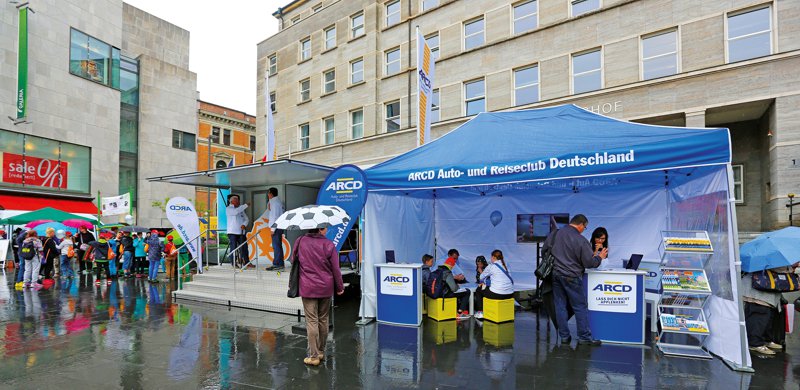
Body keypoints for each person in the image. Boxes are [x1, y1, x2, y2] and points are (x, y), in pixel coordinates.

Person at [543, 214, 607, 346]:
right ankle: (584, 337)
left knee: (560, 307)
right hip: (572, 276)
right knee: (580, 307)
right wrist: (600, 257)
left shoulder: (555, 234)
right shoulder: (581, 240)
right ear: (581, 224)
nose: (584, 229)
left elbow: (544, 251)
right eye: (585, 227)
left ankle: (564, 337)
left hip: (556, 275)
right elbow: (590, 263)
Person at [294, 226, 344, 366]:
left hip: (308, 286)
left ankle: (313, 356)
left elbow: (294, 260)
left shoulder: (300, 241)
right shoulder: (329, 244)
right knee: (323, 319)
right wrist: (339, 287)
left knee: (311, 321)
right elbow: (336, 268)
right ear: (321, 229)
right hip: (325, 287)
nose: (327, 230)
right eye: (325, 227)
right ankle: (321, 351)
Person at [741, 265, 792, 356]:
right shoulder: (766, 255)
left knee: (767, 316)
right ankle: (755, 343)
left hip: (766, 288)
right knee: (759, 316)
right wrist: (789, 268)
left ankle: (765, 340)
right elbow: (776, 267)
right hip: (758, 289)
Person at [474, 250, 515, 319]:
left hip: (497, 294)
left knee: (478, 290)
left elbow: (481, 277)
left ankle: (480, 312)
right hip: (510, 294)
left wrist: (480, 271)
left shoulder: (491, 266)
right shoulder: (506, 264)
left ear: (493, 257)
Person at [225, 194, 250, 267]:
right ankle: (233, 262)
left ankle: (247, 262)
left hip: (241, 232)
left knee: (244, 247)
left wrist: (244, 225)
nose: (239, 202)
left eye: (238, 200)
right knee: (233, 247)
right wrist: (245, 205)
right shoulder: (229, 209)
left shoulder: (240, 209)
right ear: (232, 201)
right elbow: (236, 212)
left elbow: (246, 219)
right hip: (232, 232)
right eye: (237, 200)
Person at [266, 187, 286, 270]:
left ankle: (277, 264)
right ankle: (279, 263)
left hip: (276, 227)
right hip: (279, 226)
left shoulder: (274, 203)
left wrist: (272, 229)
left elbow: (274, 216)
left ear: (270, 194)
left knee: (276, 246)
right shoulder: (277, 202)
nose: (268, 195)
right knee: (278, 245)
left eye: (268, 193)